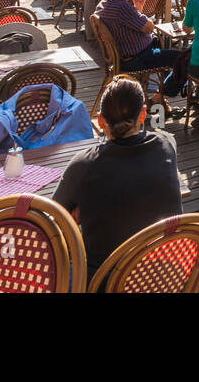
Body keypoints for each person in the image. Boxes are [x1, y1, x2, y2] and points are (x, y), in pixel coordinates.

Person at [52, 78, 181, 280]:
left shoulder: (84, 165)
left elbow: (54, 218)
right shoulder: (167, 145)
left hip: (106, 282)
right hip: (164, 276)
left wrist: (83, 209)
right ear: (143, 114)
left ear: (100, 120)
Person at [96, 0, 182, 90]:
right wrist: (140, 12)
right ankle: (162, 94)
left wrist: (137, 7)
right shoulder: (122, 7)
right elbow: (149, 27)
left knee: (161, 43)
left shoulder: (104, 3)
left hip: (122, 57)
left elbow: (134, 24)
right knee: (182, 58)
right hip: (136, 59)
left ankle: (157, 89)